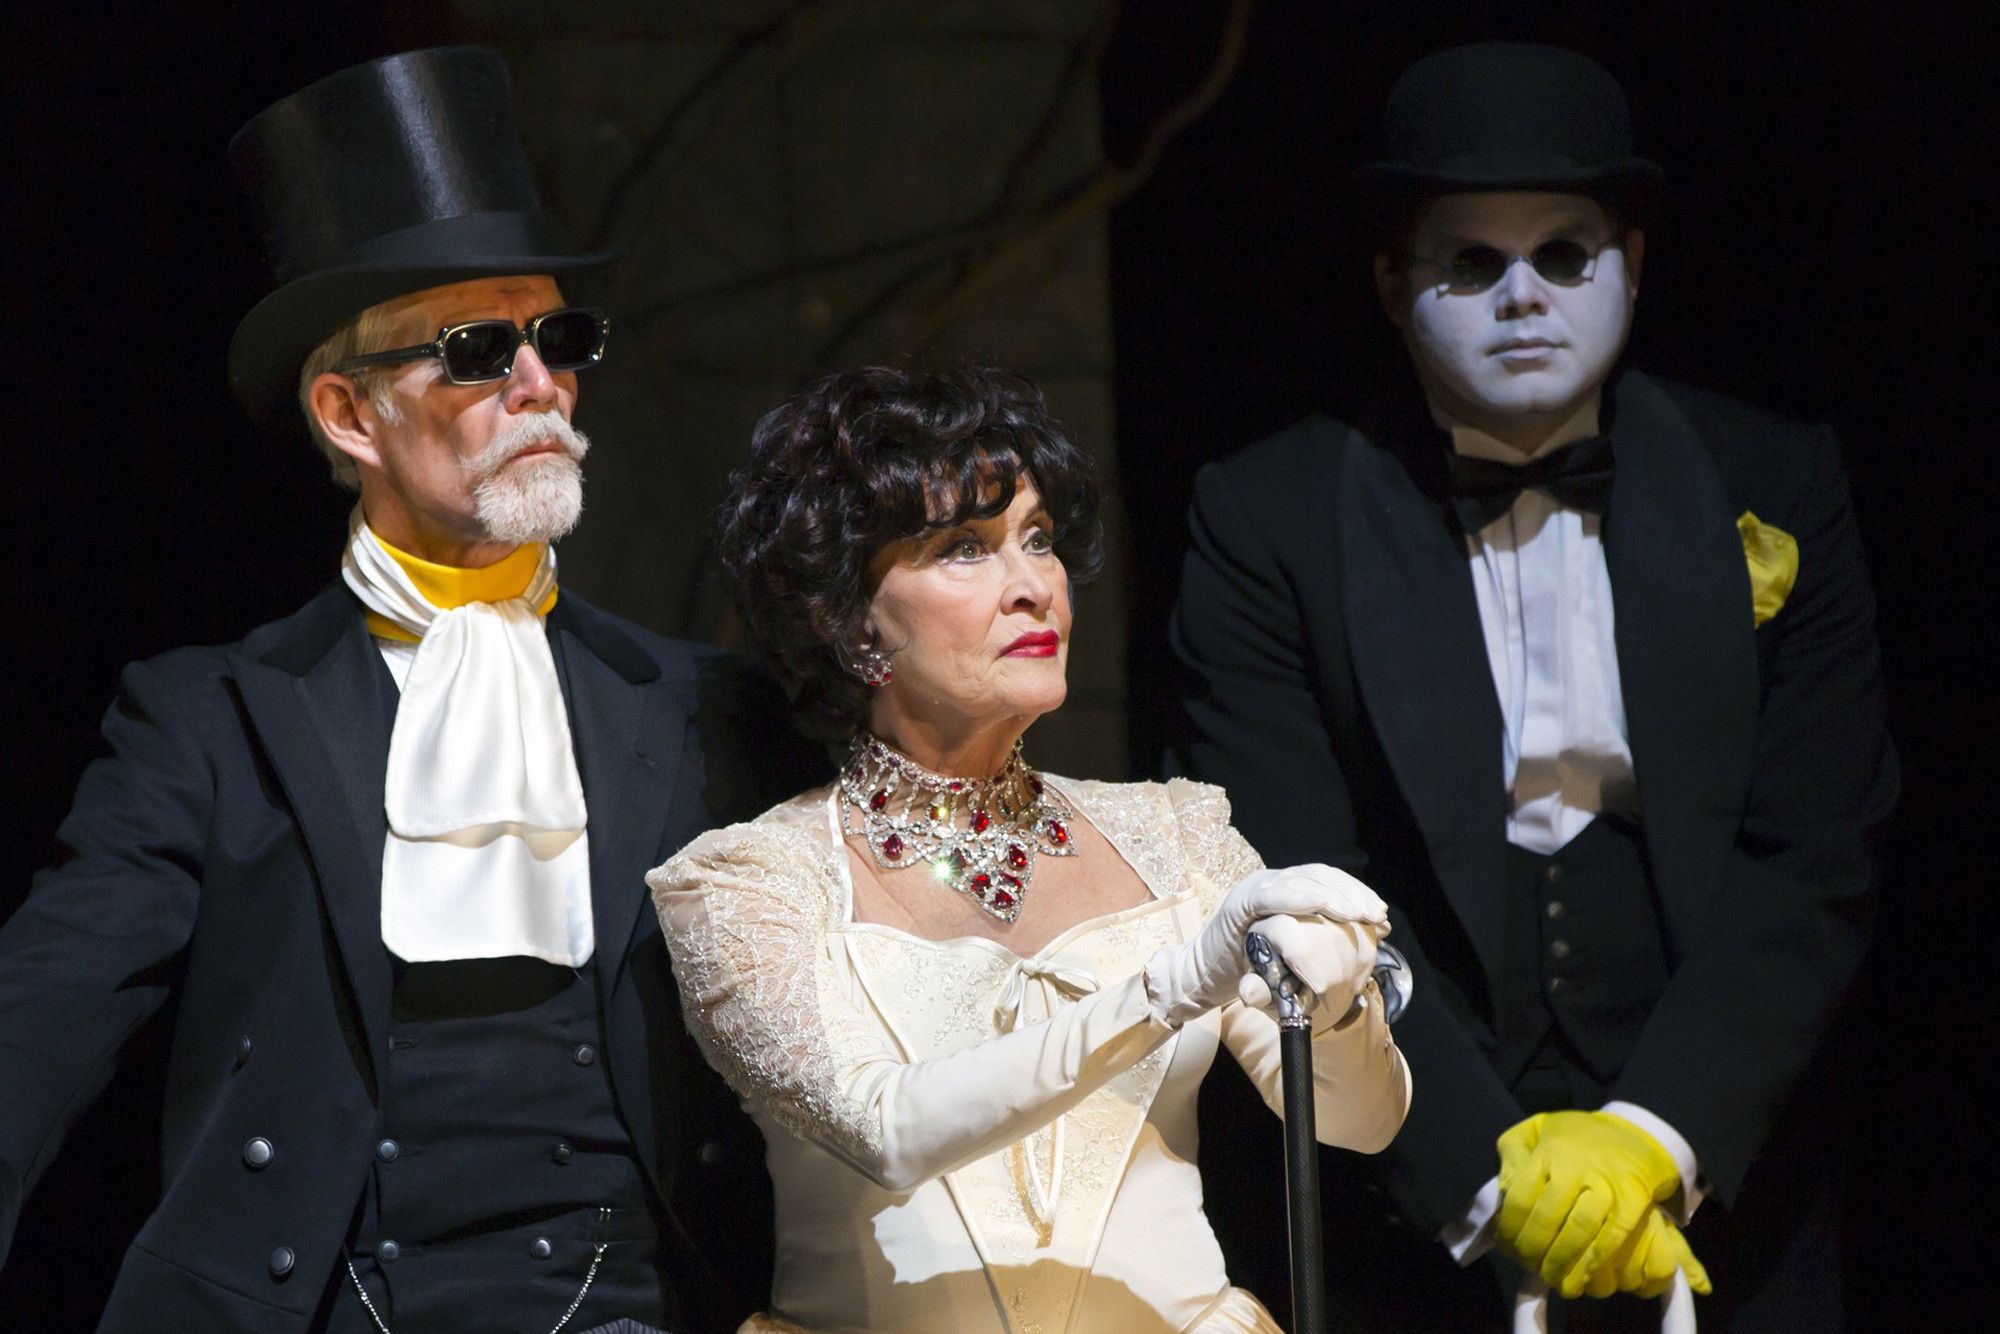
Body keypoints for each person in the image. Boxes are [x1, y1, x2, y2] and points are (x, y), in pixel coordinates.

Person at [0, 48, 809, 1333]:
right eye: (479, 349)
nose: (539, 385)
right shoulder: (208, 719)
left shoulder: (702, 703)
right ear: (349, 413)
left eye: (559, 338)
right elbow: (36, 1021)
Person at [1172, 41, 1896, 1333]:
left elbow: (1813, 848)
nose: (1522, 298)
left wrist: (1659, 1132)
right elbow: (1286, 868)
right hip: (1414, 1193)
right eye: (1471, 262)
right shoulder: (1269, 514)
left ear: (1632, 265)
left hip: (1725, 1173)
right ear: (1391, 283)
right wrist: (1480, 1174)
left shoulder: (1772, 475)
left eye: (1563, 255)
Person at [646, 365, 1410, 1333]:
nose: (1032, 588)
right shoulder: (746, 879)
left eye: (1038, 538)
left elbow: (1358, 1121)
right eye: (963, 549)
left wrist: (1338, 1009)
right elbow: (883, 1130)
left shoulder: (1174, 833)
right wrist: (1173, 983)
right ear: (845, 618)